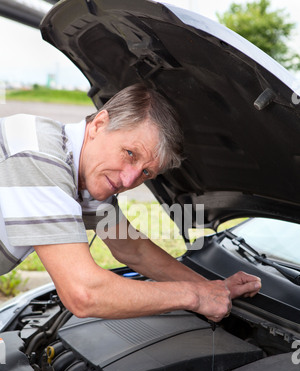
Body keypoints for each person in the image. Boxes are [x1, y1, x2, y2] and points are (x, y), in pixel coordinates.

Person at [0, 83, 261, 322]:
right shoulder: (39, 158)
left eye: (146, 173)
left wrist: (213, 288)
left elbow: (132, 249)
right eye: (129, 154)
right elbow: (83, 294)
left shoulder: (84, 175)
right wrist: (194, 296)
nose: (128, 179)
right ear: (100, 123)